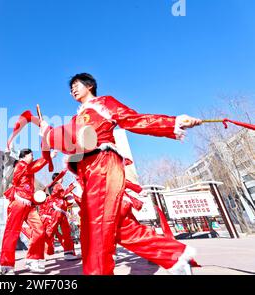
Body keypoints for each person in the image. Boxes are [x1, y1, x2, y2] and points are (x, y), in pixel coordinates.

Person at [40, 73, 202, 275]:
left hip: (104, 165)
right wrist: (49, 136)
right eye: (70, 87)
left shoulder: (104, 103)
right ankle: (174, 257)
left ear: (89, 85)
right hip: (88, 171)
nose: (73, 89)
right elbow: (70, 139)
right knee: (117, 225)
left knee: (96, 226)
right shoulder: (77, 118)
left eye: (76, 85)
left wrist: (173, 122)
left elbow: (134, 119)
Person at [0, 148, 57, 275]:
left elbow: (34, 167)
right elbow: (34, 166)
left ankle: (32, 259)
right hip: (19, 202)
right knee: (12, 232)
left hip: (29, 204)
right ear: (24, 156)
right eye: (31, 154)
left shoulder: (28, 168)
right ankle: (6, 265)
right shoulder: (21, 165)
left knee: (39, 229)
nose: (32, 156)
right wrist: (48, 157)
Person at [41, 173, 80, 261]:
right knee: (51, 232)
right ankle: (38, 252)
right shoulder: (57, 185)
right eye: (61, 177)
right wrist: (72, 186)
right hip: (57, 211)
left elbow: (61, 196)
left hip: (61, 211)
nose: (62, 179)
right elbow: (62, 194)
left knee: (65, 232)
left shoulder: (55, 186)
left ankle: (68, 252)